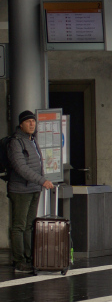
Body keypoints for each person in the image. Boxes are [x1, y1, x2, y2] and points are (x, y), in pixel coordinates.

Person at [7, 111, 54, 273]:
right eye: (28, 122)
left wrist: (40, 182)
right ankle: (19, 260)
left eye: (33, 121)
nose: (32, 124)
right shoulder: (16, 142)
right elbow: (21, 168)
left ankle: (28, 257)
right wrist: (42, 181)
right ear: (21, 125)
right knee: (19, 226)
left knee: (29, 225)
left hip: (34, 188)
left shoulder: (33, 140)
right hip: (20, 190)